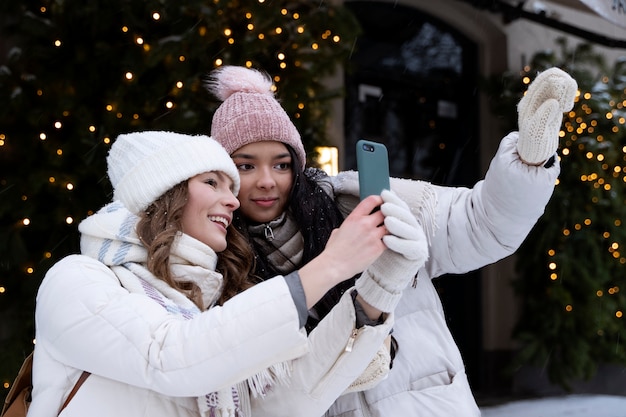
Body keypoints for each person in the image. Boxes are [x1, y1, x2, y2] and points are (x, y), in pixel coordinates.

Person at [205, 65, 578, 416]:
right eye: (246, 165)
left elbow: (482, 222)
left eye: (281, 164)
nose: (267, 180)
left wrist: (528, 162)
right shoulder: (216, 261)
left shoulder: (360, 203)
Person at [27, 130, 428, 417]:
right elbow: (170, 357)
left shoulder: (218, 305)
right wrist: (331, 265)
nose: (233, 200)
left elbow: (280, 403)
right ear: (165, 193)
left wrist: (381, 284)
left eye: (231, 187)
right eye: (213, 182)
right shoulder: (79, 280)